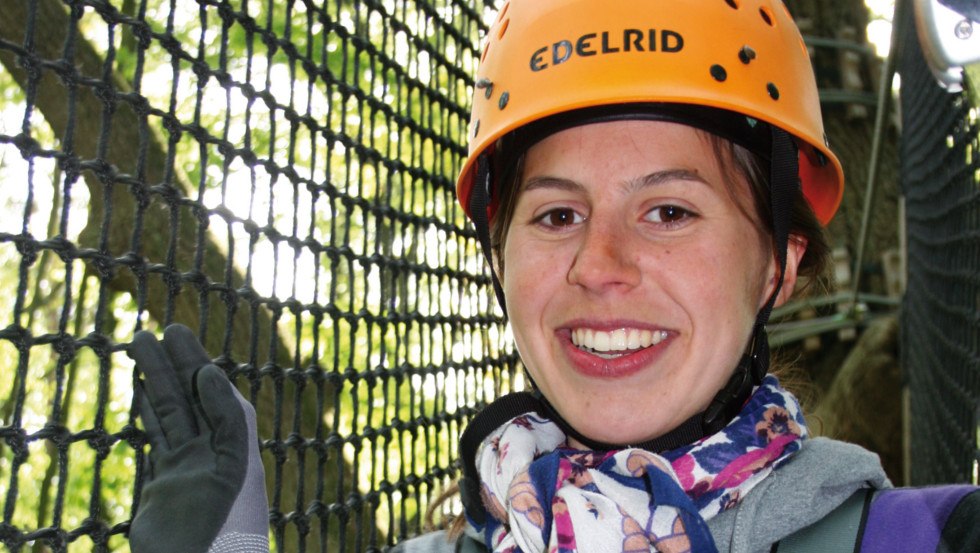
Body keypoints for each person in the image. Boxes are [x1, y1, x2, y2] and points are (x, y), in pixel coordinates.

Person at [127, 1, 979, 552]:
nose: (599, 266)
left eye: (669, 211)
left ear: (777, 267)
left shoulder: (925, 537)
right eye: (556, 215)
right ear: (501, 261)